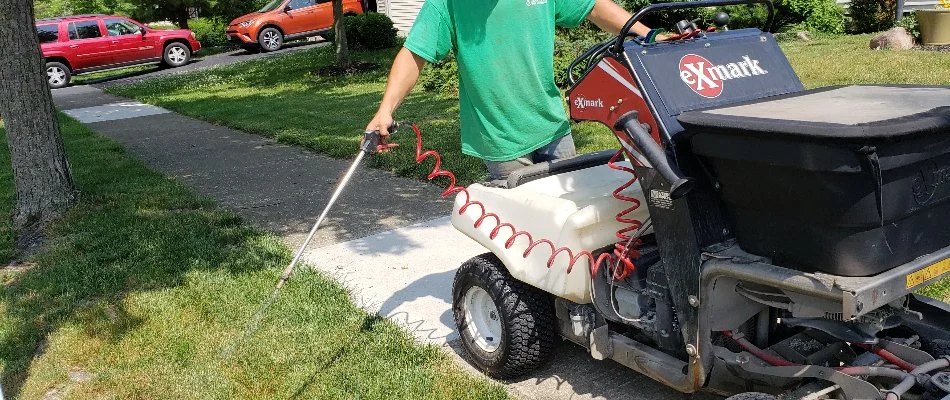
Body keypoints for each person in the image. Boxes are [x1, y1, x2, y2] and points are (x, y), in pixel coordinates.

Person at [365, 0, 654, 182]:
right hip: (502, 140)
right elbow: (414, 54)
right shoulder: (447, 4)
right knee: (527, 236)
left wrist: (649, 35)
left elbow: (592, 6)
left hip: (553, 127)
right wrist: (385, 109)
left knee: (573, 220)